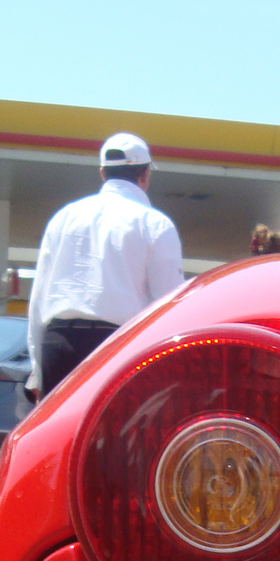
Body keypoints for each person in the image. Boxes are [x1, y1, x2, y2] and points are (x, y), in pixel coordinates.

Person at [27, 132, 184, 396]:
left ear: (102, 173)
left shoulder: (63, 217)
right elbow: (169, 307)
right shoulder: (155, 224)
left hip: (59, 345)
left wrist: (36, 370)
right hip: (120, 348)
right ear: (144, 175)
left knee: (62, 437)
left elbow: (39, 298)